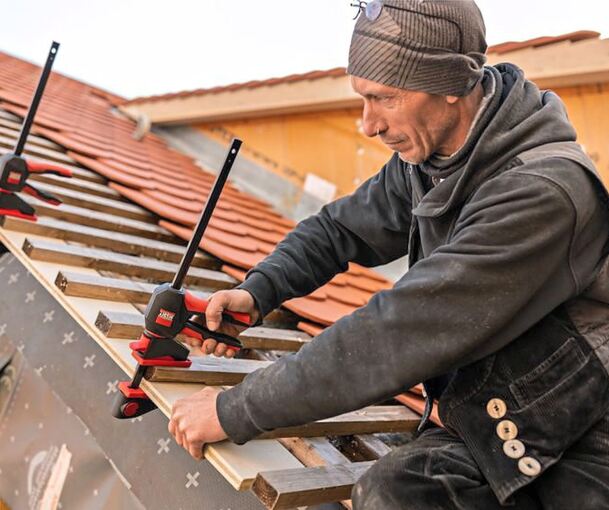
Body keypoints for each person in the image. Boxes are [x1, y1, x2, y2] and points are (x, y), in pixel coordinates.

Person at [168, 1, 609, 507]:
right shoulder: (438, 157)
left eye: (385, 98)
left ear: (449, 86)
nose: (367, 124)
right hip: (493, 411)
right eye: (363, 98)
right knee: (394, 489)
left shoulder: (542, 193)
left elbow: (396, 333)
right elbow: (339, 230)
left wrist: (232, 410)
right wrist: (258, 289)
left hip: (581, 433)